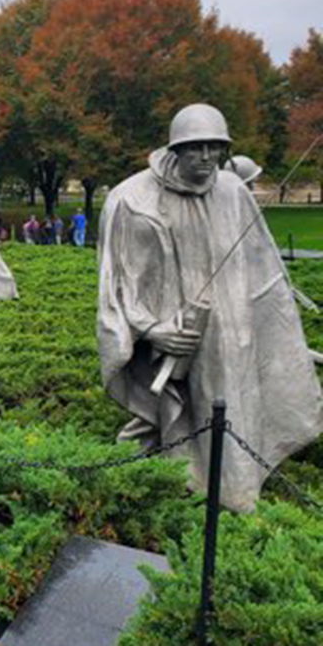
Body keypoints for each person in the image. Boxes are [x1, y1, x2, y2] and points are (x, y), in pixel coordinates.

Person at [98, 102, 323, 512]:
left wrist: (280, 342)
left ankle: (232, 498)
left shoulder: (233, 192)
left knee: (234, 417)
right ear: (175, 149)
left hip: (235, 338)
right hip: (177, 341)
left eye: (215, 148)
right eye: (195, 148)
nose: (206, 158)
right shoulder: (131, 200)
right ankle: (161, 489)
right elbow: (118, 286)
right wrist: (152, 330)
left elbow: (264, 271)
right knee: (172, 419)